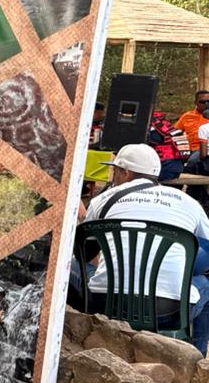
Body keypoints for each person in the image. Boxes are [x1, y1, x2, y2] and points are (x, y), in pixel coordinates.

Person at [75, 143, 209, 355]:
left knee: (74, 269)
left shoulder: (102, 199)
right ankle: (194, 358)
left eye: (115, 171)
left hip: (107, 304)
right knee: (204, 283)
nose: (113, 176)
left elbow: (85, 251)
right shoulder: (189, 202)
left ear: (125, 172)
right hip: (169, 311)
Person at [176, 90, 209, 159]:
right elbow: (175, 132)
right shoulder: (187, 116)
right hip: (192, 149)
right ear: (195, 103)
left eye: (208, 101)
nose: (206, 104)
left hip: (206, 147)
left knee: (193, 161)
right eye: (202, 102)